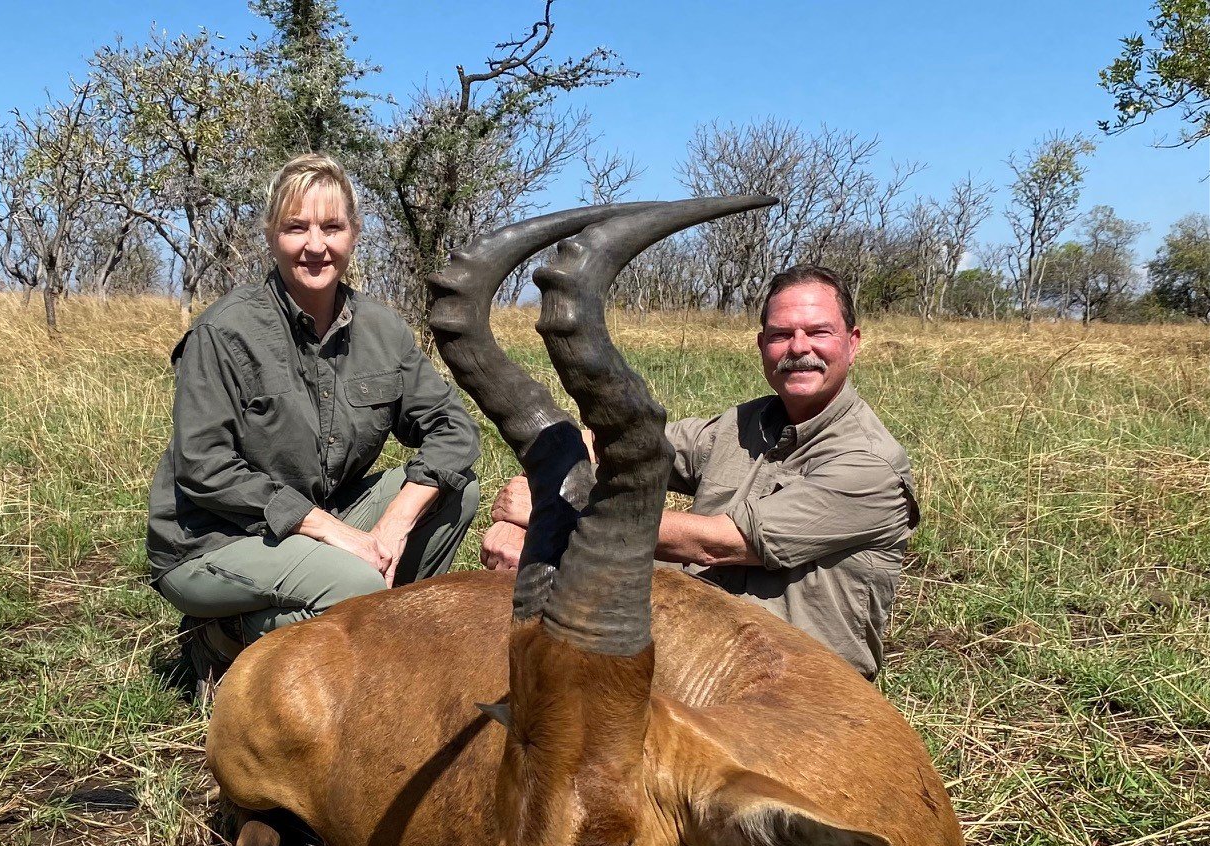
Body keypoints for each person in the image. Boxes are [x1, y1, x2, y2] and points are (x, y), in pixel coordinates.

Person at [481, 265, 918, 680]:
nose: (799, 348)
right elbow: (626, 447)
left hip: (792, 680)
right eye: (782, 335)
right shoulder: (741, 425)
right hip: (701, 644)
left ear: (853, 342)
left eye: (818, 332)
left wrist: (554, 506)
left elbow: (718, 543)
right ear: (762, 344)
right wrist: (548, 480)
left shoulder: (870, 465)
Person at [147, 154, 481, 686]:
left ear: (354, 233)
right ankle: (221, 640)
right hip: (212, 541)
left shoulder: (381, 329)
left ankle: (364, 638)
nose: (315, 245)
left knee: (454, 490)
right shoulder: (224, 332)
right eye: (296, 227)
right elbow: (203, 467)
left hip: (318, 525)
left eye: (332, 226)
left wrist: (393, 524)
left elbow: (453, 430)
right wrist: (334, 533)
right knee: (354, 581)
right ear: (272, 235)